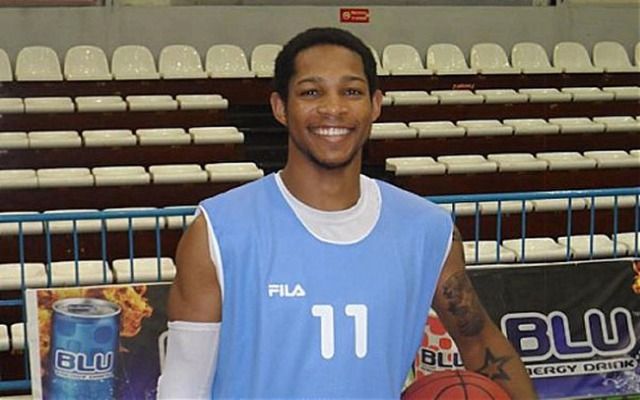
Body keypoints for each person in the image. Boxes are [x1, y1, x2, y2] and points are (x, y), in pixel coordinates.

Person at [157, 27, 537, 399]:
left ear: (375, 105)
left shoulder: (427, 230)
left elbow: (479, 341)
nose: (333, 108)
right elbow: (184, 386)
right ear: (280, 108)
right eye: (311, 92)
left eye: (351, 91)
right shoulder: (218, 231)